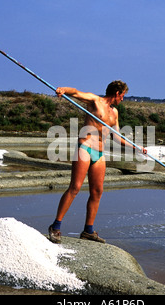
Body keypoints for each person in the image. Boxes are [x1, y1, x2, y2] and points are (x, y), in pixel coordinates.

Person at [48, 80, 146, 244]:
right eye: (122, 96)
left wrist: (136, 147)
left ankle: (88, 231)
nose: (123, 99)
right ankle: (55, 227)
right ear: (116, 93)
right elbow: (77, 92)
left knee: (97, 192)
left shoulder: (114, 113)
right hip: (85, 147)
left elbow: (117, 137)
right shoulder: (95, 101)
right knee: (75, 187)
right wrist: (63, 90)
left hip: (99, 153)